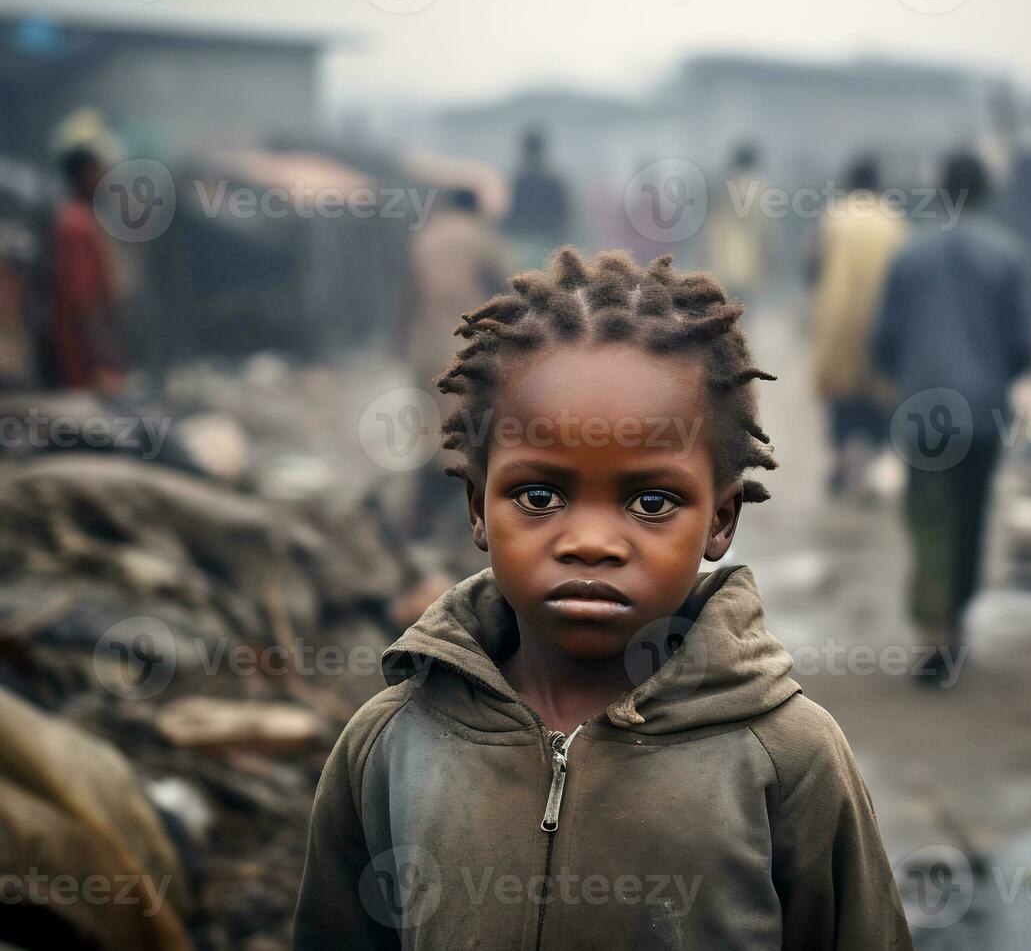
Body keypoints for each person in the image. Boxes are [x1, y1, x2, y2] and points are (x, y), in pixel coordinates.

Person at [295, 248, 913, 950]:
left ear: (721, 519)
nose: (590, 541)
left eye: (652, 501)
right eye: (539, 495)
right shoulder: (390, 745)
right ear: (476, 507)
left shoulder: (786, 758)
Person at [870, 152, 1031, 687]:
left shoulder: (909, 257)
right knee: (970, 515)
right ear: (986, 191)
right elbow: (1022, 347)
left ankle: (933, 632)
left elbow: (884, 343)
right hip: (983, 412)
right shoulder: (1008, 256)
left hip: (923, 412)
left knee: (929, 518)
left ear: (940, 191)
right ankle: (956, 626)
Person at [405, 187, 510, 541]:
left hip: (424, 344)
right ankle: (465, 519)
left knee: (431, 427)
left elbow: (406, 295)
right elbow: (504, 290)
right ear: (475, 208)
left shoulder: (424, 237)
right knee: (470, 428)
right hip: (467, 344)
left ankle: (421, 521)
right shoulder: (481, 237)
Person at [808, 155, 909, 497]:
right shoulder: (894, 220)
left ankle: (840, 461)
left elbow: (814, 267)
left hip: (839, 318)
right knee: (877, 395)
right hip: (881, 318)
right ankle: (871, 468)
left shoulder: (834, 217)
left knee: (841, 395)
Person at [51, 147, 123, 392]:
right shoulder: (76, 224)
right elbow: (84, 301)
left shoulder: (78, 219)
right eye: (98, 171)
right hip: (83, 360)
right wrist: (102, 360)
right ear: (84, 175)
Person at [702, 142, 771, 299]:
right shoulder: (761, 189)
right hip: (750, 263)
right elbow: (765, 231)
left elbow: (713, 228)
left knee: (727, 313)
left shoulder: (724, 186)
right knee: (745, 311)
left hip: (724, 262)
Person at [502, 128, 571, 269]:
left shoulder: (515, 181)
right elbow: (563, 216)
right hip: (545, 244)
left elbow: (506, 215)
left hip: (522, 244)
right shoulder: (554, 181)